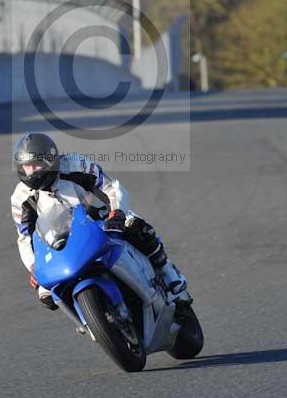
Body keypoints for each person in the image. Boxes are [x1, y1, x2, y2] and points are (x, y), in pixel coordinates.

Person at [11, 132, 187, 309]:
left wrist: (117, 213)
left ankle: (168, 272)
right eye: (28, 167)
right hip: (60, 245)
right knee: (47, 295)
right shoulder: (20, 198)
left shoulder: (74, 164)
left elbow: (112, 187)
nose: (33, 172)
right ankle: (88, 318)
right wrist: (34, 267)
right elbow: (25, 238)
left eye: (37, 165)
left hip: (100, 221)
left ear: (51, 160)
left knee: (137, 228)